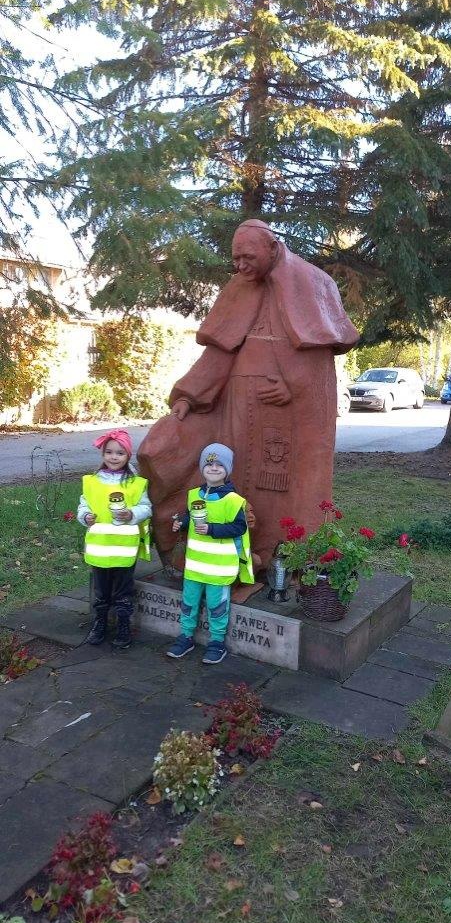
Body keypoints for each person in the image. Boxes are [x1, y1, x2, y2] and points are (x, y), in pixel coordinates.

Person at [138, 219, 359, 569]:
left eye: (248, 258)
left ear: (271, 248)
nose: (240, 266)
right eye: (236, 259)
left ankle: (283, 558)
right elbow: (219, 352)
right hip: (238, 405)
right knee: (232, 473)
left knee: (283, 488)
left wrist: (293, 385)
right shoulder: (239, 287)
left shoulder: (312, 282)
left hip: (286, 411)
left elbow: (318, 358)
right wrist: (189, 396)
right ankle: (232, 552)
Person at [167, 443, 253, 664]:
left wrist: (212, 529)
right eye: (209, 464)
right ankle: (186, 637)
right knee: (189, 602)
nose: (214, 468)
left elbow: (239, 528)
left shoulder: (233, 500)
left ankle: (217, 642)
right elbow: (190, 517)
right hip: (195, 565)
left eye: (219, 465)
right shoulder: (194, 494)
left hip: (219, 568)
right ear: (202, 468)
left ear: (227, 469)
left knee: (217, 606)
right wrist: (181, 523)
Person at [77, 429, 152, 649]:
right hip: (100, 547)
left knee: (123, 591)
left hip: (124, 548)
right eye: (109, 452)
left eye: (120, 453)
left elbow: (146, 508)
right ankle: (100, 623)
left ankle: (123, 625)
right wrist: (85, 516)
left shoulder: (136, 483)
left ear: (128, 455)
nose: (114, 457)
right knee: (101, 590)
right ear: (103, 454)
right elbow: (84, 505)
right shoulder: (91, 482)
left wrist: (132, 514)